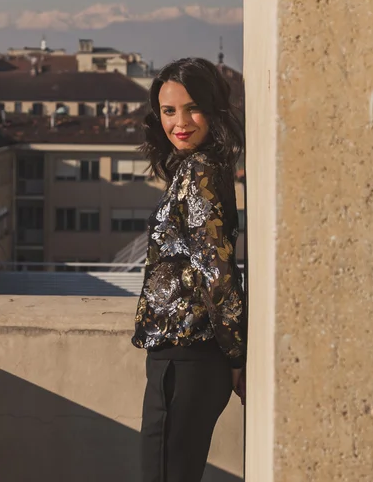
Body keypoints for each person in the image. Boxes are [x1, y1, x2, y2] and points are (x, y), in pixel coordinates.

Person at [132, 57, 247, 482]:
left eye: (191, 108)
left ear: (214, 109)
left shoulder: (201, 173)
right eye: (168, 110)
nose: (179, 122)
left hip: (187, 359)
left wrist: (236, 357)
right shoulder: (200, 169)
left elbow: (218, 270)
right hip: (186, 360)